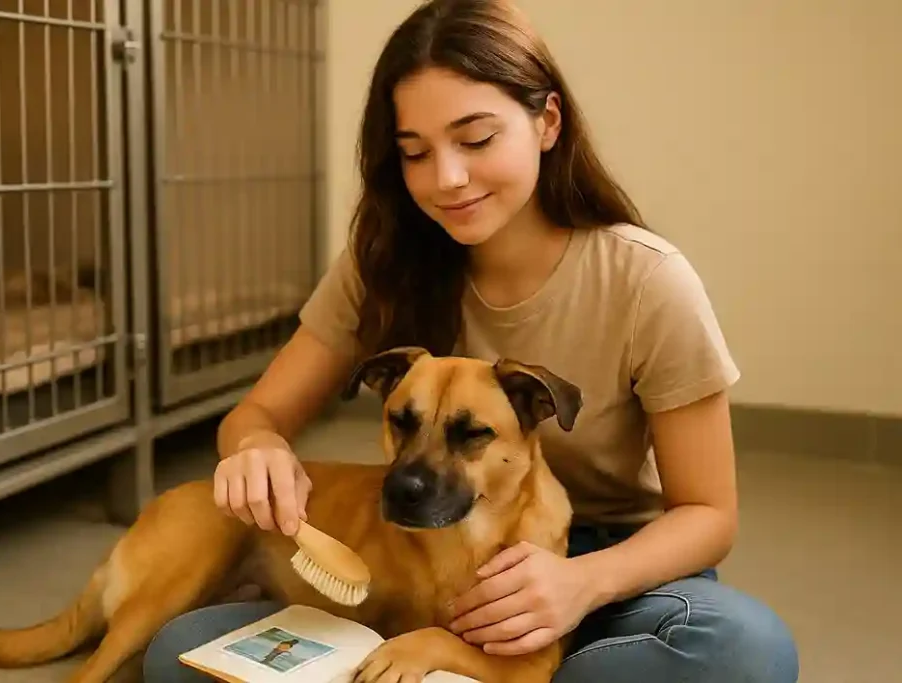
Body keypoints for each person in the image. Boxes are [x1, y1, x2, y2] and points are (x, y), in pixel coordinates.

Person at [143, 1, 800, 681]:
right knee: (178, 652)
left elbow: (709, 514)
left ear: (547, 122)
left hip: (601, 563)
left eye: (476, 138)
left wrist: (582, 583)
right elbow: (255, 416)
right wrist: (256, 449)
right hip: (413, 565)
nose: (446, 178)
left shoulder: (646, 281)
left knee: (745, 651)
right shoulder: (383, 264)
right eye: (414, 153)